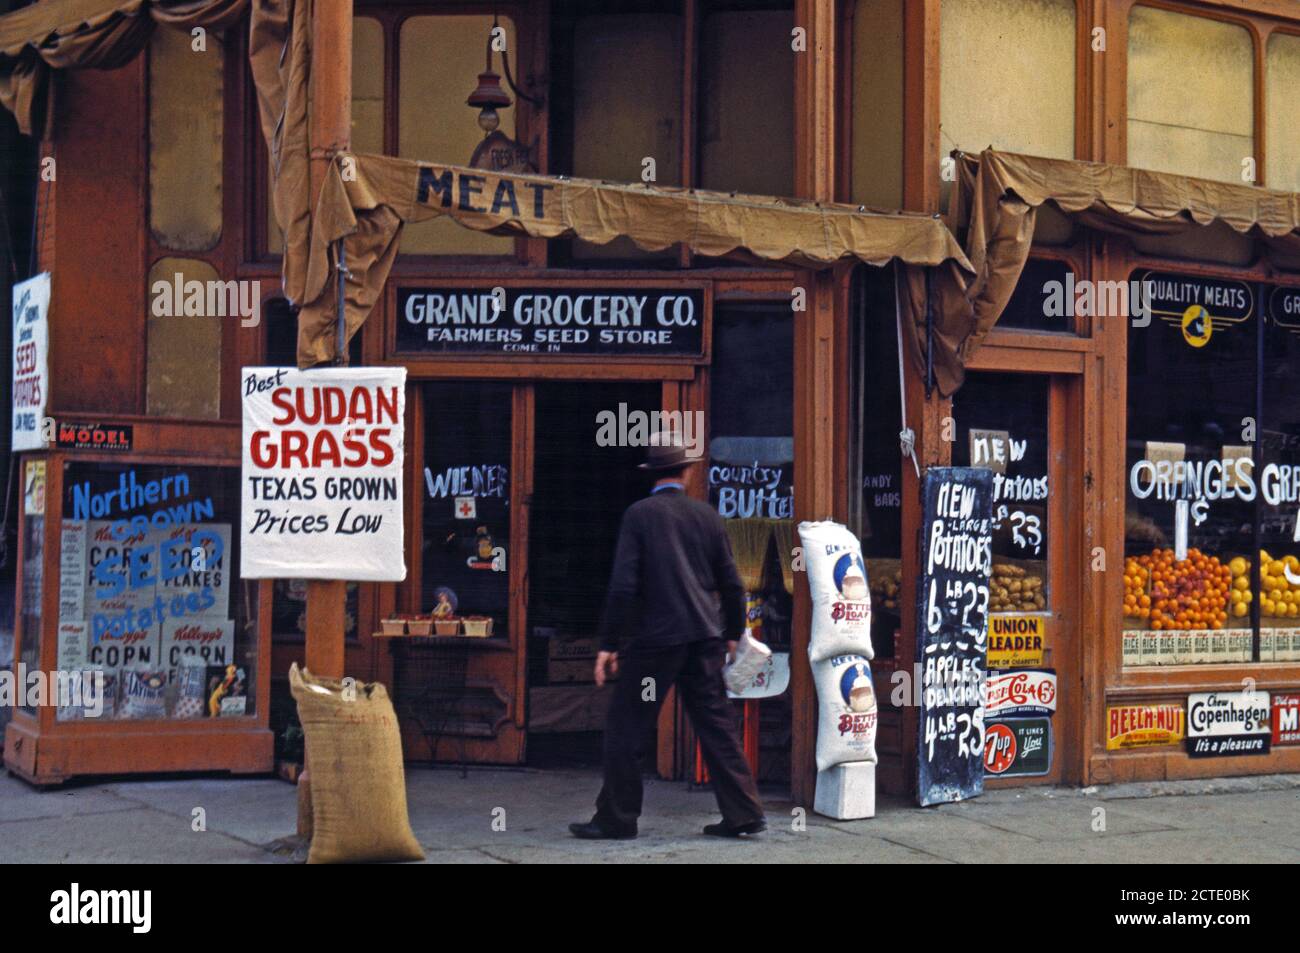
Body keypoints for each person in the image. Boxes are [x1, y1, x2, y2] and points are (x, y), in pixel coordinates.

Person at [569, 430, 766, 840]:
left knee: (629, 724)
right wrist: (731, 632)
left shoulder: (639, 516)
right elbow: (732, 584)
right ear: (688, 473)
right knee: (716, 725)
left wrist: (608, 643)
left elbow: (623, 586)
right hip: (703, 642)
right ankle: (745, 813)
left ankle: (617, 818)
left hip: (656, 647)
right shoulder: (707, 517)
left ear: (652, 474)